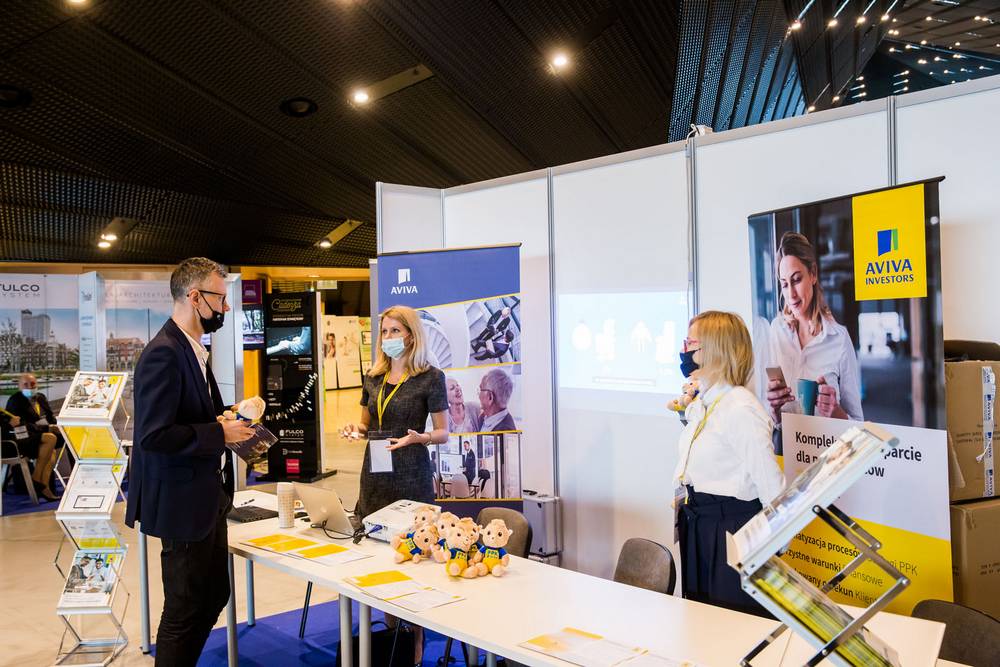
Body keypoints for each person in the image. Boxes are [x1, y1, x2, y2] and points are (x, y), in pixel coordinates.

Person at [124, 257, 254, 667]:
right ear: (195, 297)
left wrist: (229, 417)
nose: (226, 308)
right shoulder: (164, 353)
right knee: (183, 608)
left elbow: (191, 416)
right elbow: (153, 435)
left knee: (213, 594)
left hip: (206, 499)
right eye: (221, 298)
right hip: (181, 505)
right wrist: (219, 433)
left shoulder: (192, 349)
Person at [341, 304, 448, 665]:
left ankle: (414, 647)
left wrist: (421, 438)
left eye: (394, 331)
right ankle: (393, 640)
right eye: (384, 331)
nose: (387, 337)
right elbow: (365, 423)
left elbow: (444, 432)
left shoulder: (431, 378)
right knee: (380, 561)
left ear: (411, 336)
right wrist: (354, 430)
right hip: (375, 476)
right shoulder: (373, 377)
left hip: (411, 476)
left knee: (413, 562)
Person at [673, 311, 783, 616]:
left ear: (715, 349)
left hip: (732, 532)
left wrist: (768, 553)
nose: (683, 350)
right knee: (702, 621)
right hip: (701, 525)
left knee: (731, 624)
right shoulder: (706, 402)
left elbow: (772, 487)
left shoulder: (741, 408)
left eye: (690, 343)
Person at [765, 232, 863, 424]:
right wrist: (774, 411)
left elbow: (858, 423)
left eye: (796, 280)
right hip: (787, 443)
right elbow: (773, 420)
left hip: (826, 443)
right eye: (784, 284)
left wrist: (835, 411)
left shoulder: (839, 338)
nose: (791, 294)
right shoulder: (776, 330)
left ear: (813, 274)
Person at [5, 373, 61, 501]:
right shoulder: (15, 400)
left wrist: (55, 425)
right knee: (50, 439)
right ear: (19, 386)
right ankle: (36, 478)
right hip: (20, 438)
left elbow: (50, 417)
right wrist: (46, 428)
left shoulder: (41, 397)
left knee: (53, 449)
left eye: (33, 384)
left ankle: (44, 487)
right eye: (26, 384)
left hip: (38, 436)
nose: (30, 387)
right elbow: (21, 425)